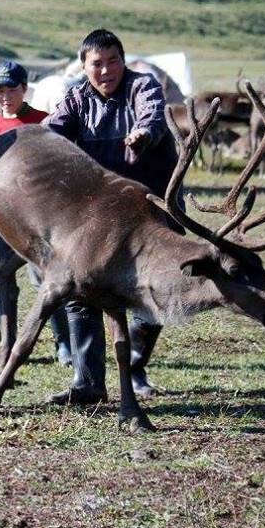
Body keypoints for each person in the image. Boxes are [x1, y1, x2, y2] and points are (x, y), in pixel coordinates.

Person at [43, 29, 176, 404]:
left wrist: (144, 134)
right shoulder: (75, 99)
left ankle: (134, 368)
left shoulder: (142, 87)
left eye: (113, 61)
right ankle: (88, 384)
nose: (106, 70)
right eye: (96, 64)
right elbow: (50, 133)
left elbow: (152, 115)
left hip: (148, 214)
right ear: (84, 67)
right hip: (95, 219)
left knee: (151, 294)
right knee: (79, 293)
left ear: (124, 59)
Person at [0, 61, 72, 365]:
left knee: (47, 281)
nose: (4, 96)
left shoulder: (44, 123)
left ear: (24, 89)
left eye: (11, 89)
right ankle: (8, 346)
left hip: (36, 219)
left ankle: (63, 344)